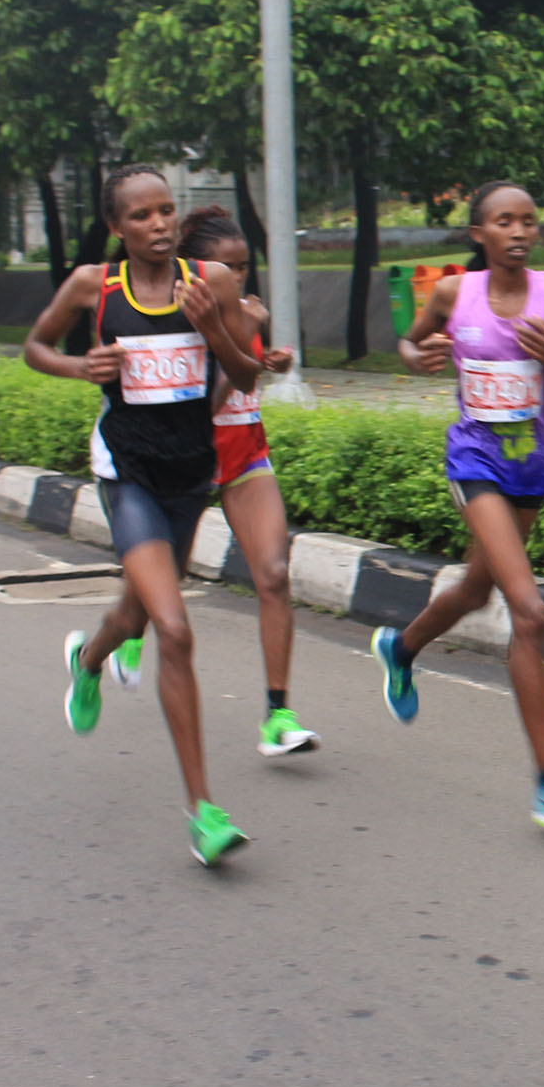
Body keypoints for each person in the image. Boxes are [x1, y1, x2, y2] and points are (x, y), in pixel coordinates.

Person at [23, 165, 261, 866]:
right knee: (175, 628)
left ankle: (88, 656)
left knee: (133, 612)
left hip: (190, 470)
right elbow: (35, 346)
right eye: (142, 215)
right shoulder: (93, 287)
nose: (158, 224)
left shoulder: (211, 283)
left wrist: (214, 326)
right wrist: (78, 369)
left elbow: (246, 376)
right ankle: (204, 813)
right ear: (118, 227)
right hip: (126, 469)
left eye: (167, 211)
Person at [371, 180, 544, 830]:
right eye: (504, 221)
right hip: (473, 464)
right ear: (478, 233)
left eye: (529, 221)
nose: (519, 231)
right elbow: (411, 338)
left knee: (478, 588)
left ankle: (401, 647)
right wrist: (417, 354)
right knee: (527, 611)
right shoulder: (454, 293)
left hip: (533, 468)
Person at [174, 204, 317, 759]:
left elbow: (247, 377)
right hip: (190, 458)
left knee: (275, 573)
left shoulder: (242, 309)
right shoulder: (179, 320)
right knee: (157, 588)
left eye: (243, 267)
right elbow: (205, 406)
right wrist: (237, 332)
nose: (238, 279)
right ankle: (98, 655)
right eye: (227, 269)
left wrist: (269, 361)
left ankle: (278, 715)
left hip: (247, 455)